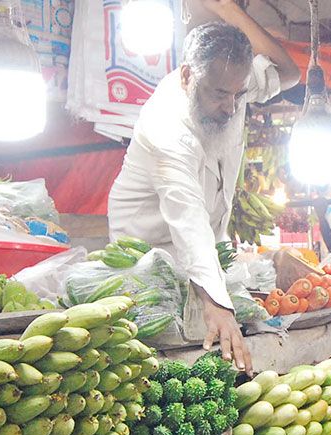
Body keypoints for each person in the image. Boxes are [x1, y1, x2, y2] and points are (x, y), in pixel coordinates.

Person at [107, 0, 300, 372]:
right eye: (218, 94)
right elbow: (187, 217)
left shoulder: (230, 84)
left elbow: (288, 73)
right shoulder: (166, 125)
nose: (230, 107)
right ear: (186, 77)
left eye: (238, 95)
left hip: (203, 256)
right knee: (162, 362)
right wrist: (217, 303)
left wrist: (228, 9)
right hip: (148, 260)